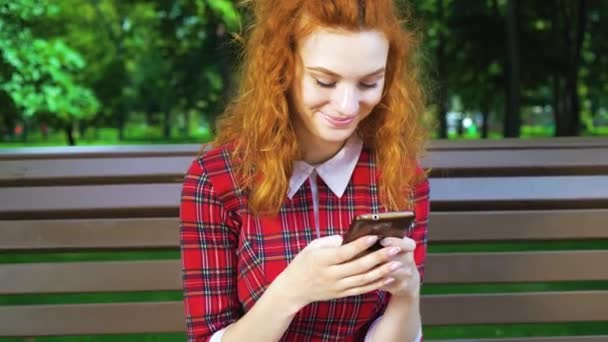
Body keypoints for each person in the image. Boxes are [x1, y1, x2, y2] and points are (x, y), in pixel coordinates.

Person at [179, 0, 430, 341]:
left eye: (369, 84)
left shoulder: (399, 174)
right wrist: (292, 291)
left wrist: (406, 294)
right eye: (325, 82)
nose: (346, 106)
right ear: (282, 66)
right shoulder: (218, 179)